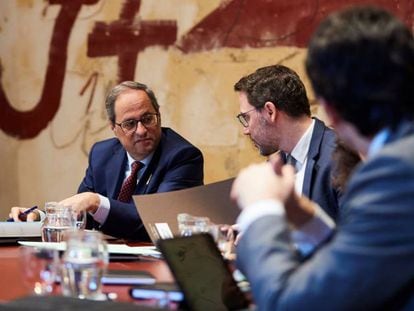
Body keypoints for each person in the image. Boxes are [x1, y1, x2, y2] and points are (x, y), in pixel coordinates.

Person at [231, 5, 414, 310]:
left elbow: (290, 303)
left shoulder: (396, 172)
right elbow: (358, 264)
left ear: (330, 108)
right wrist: (305, 217)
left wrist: (260, 210)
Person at [10, 81, 204, 241]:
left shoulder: (183, 157)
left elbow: (156, 223)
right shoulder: (102, 154)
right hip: (107, 261)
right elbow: (82, 214)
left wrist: (95, 201)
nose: (142, 130)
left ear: (159, 115)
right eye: (129, 123)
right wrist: (40, 217)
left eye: (147, 118)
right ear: (113, 127)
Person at [234, 64, 341, 220]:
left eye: (246, 118)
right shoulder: (279, 163)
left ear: (270, 111)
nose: (246, 130)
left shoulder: (340, 158)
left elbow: (360, 239)